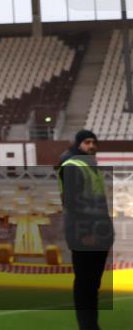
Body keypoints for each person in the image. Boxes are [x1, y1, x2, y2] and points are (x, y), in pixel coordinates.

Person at [57, 129, 115, 330]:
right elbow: (72, 203)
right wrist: (85, 234)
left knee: (92, 284)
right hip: (84, 235)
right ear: (78, 143)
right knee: (85, 284)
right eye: (87, 142)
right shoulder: (73, 165)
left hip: (97, 233)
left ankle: (91, 325)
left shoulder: (88, 164)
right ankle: (87, 326)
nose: (91, 146)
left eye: (93, 142)